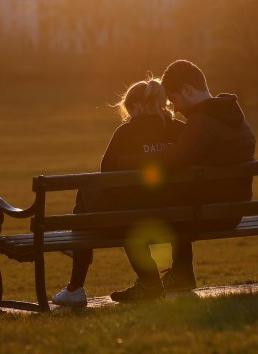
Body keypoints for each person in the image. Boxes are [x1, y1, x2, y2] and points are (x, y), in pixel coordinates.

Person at [110, 59, 256, 303]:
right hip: (232, 207)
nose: (175, 109)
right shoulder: (231, 116)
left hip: (209, 213)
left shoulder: (203, 122)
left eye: (175, 100)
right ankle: (181, 274)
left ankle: (149, 285)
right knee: (176, 202)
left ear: (188, 90)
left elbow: (172, 160)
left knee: (133, 218)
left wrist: (126, 162)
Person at [51, 78, 184, 307]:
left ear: (135, 106)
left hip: (132, 218)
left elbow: (105, 174)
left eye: (129, 110)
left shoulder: (127, 132)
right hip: (178, 215)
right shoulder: (180, 129)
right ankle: (147, 282)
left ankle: (76, 284)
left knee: (84, 205)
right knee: (90, 207)